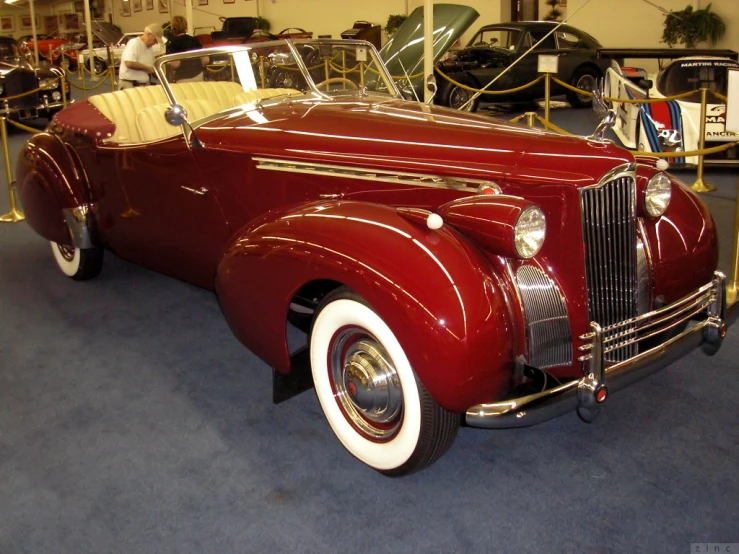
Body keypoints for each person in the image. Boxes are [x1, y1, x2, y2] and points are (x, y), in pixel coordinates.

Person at [118, 23, 163, 90]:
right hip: (131, 85)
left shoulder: (149, 48)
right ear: (149, 35)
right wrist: (146, 68)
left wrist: (162, 77)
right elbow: (129, 63)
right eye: (155, 40)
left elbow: (151, 68)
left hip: (141, 86)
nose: (156, 43)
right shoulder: (134, 43)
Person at [165, 16, 208, 83]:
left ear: (173, 28)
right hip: (198, 74)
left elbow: (175, 64)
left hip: (182, 77)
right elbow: (205, 60)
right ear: (185, 26)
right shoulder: (194, 40)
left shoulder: (173, 43)